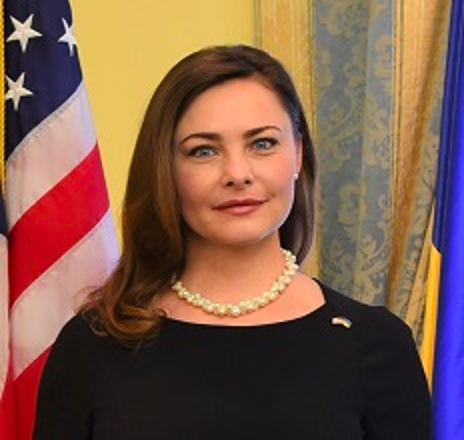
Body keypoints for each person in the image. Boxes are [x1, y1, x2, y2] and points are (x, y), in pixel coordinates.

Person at [33, 45, 430, 440]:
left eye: (262, 144)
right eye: (203, 151)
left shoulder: (376, 343)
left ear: (297, 154)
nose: (237, 174)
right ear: (165, 170)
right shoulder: (93, 345)